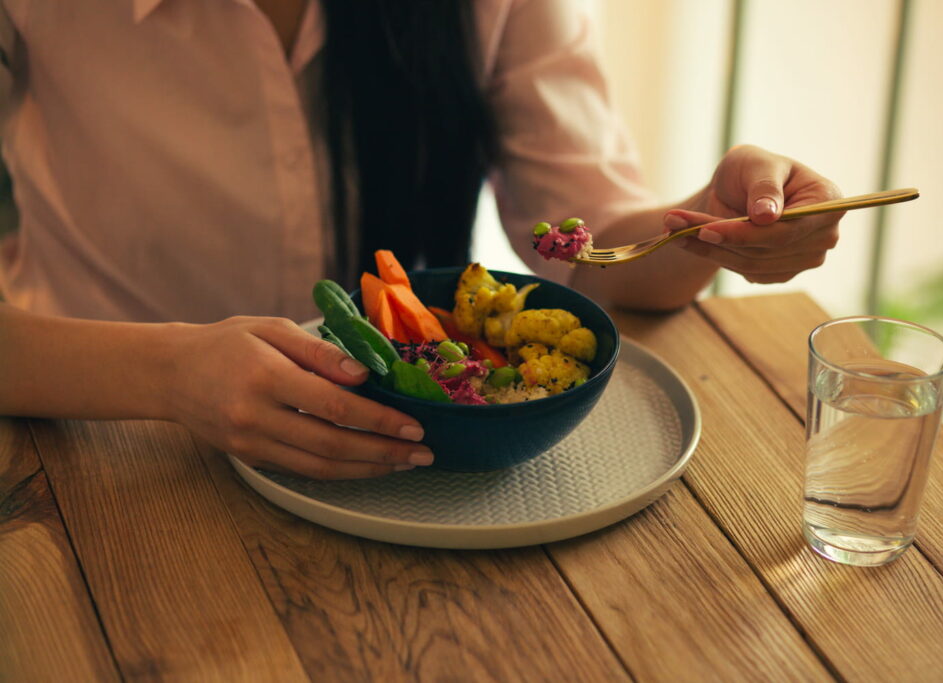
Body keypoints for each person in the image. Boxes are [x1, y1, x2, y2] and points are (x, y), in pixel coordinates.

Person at [0, 0, 842, 479]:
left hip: (410, 476)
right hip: (100, 454)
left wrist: (714, 228)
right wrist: (172, 374)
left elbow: (593, 254)